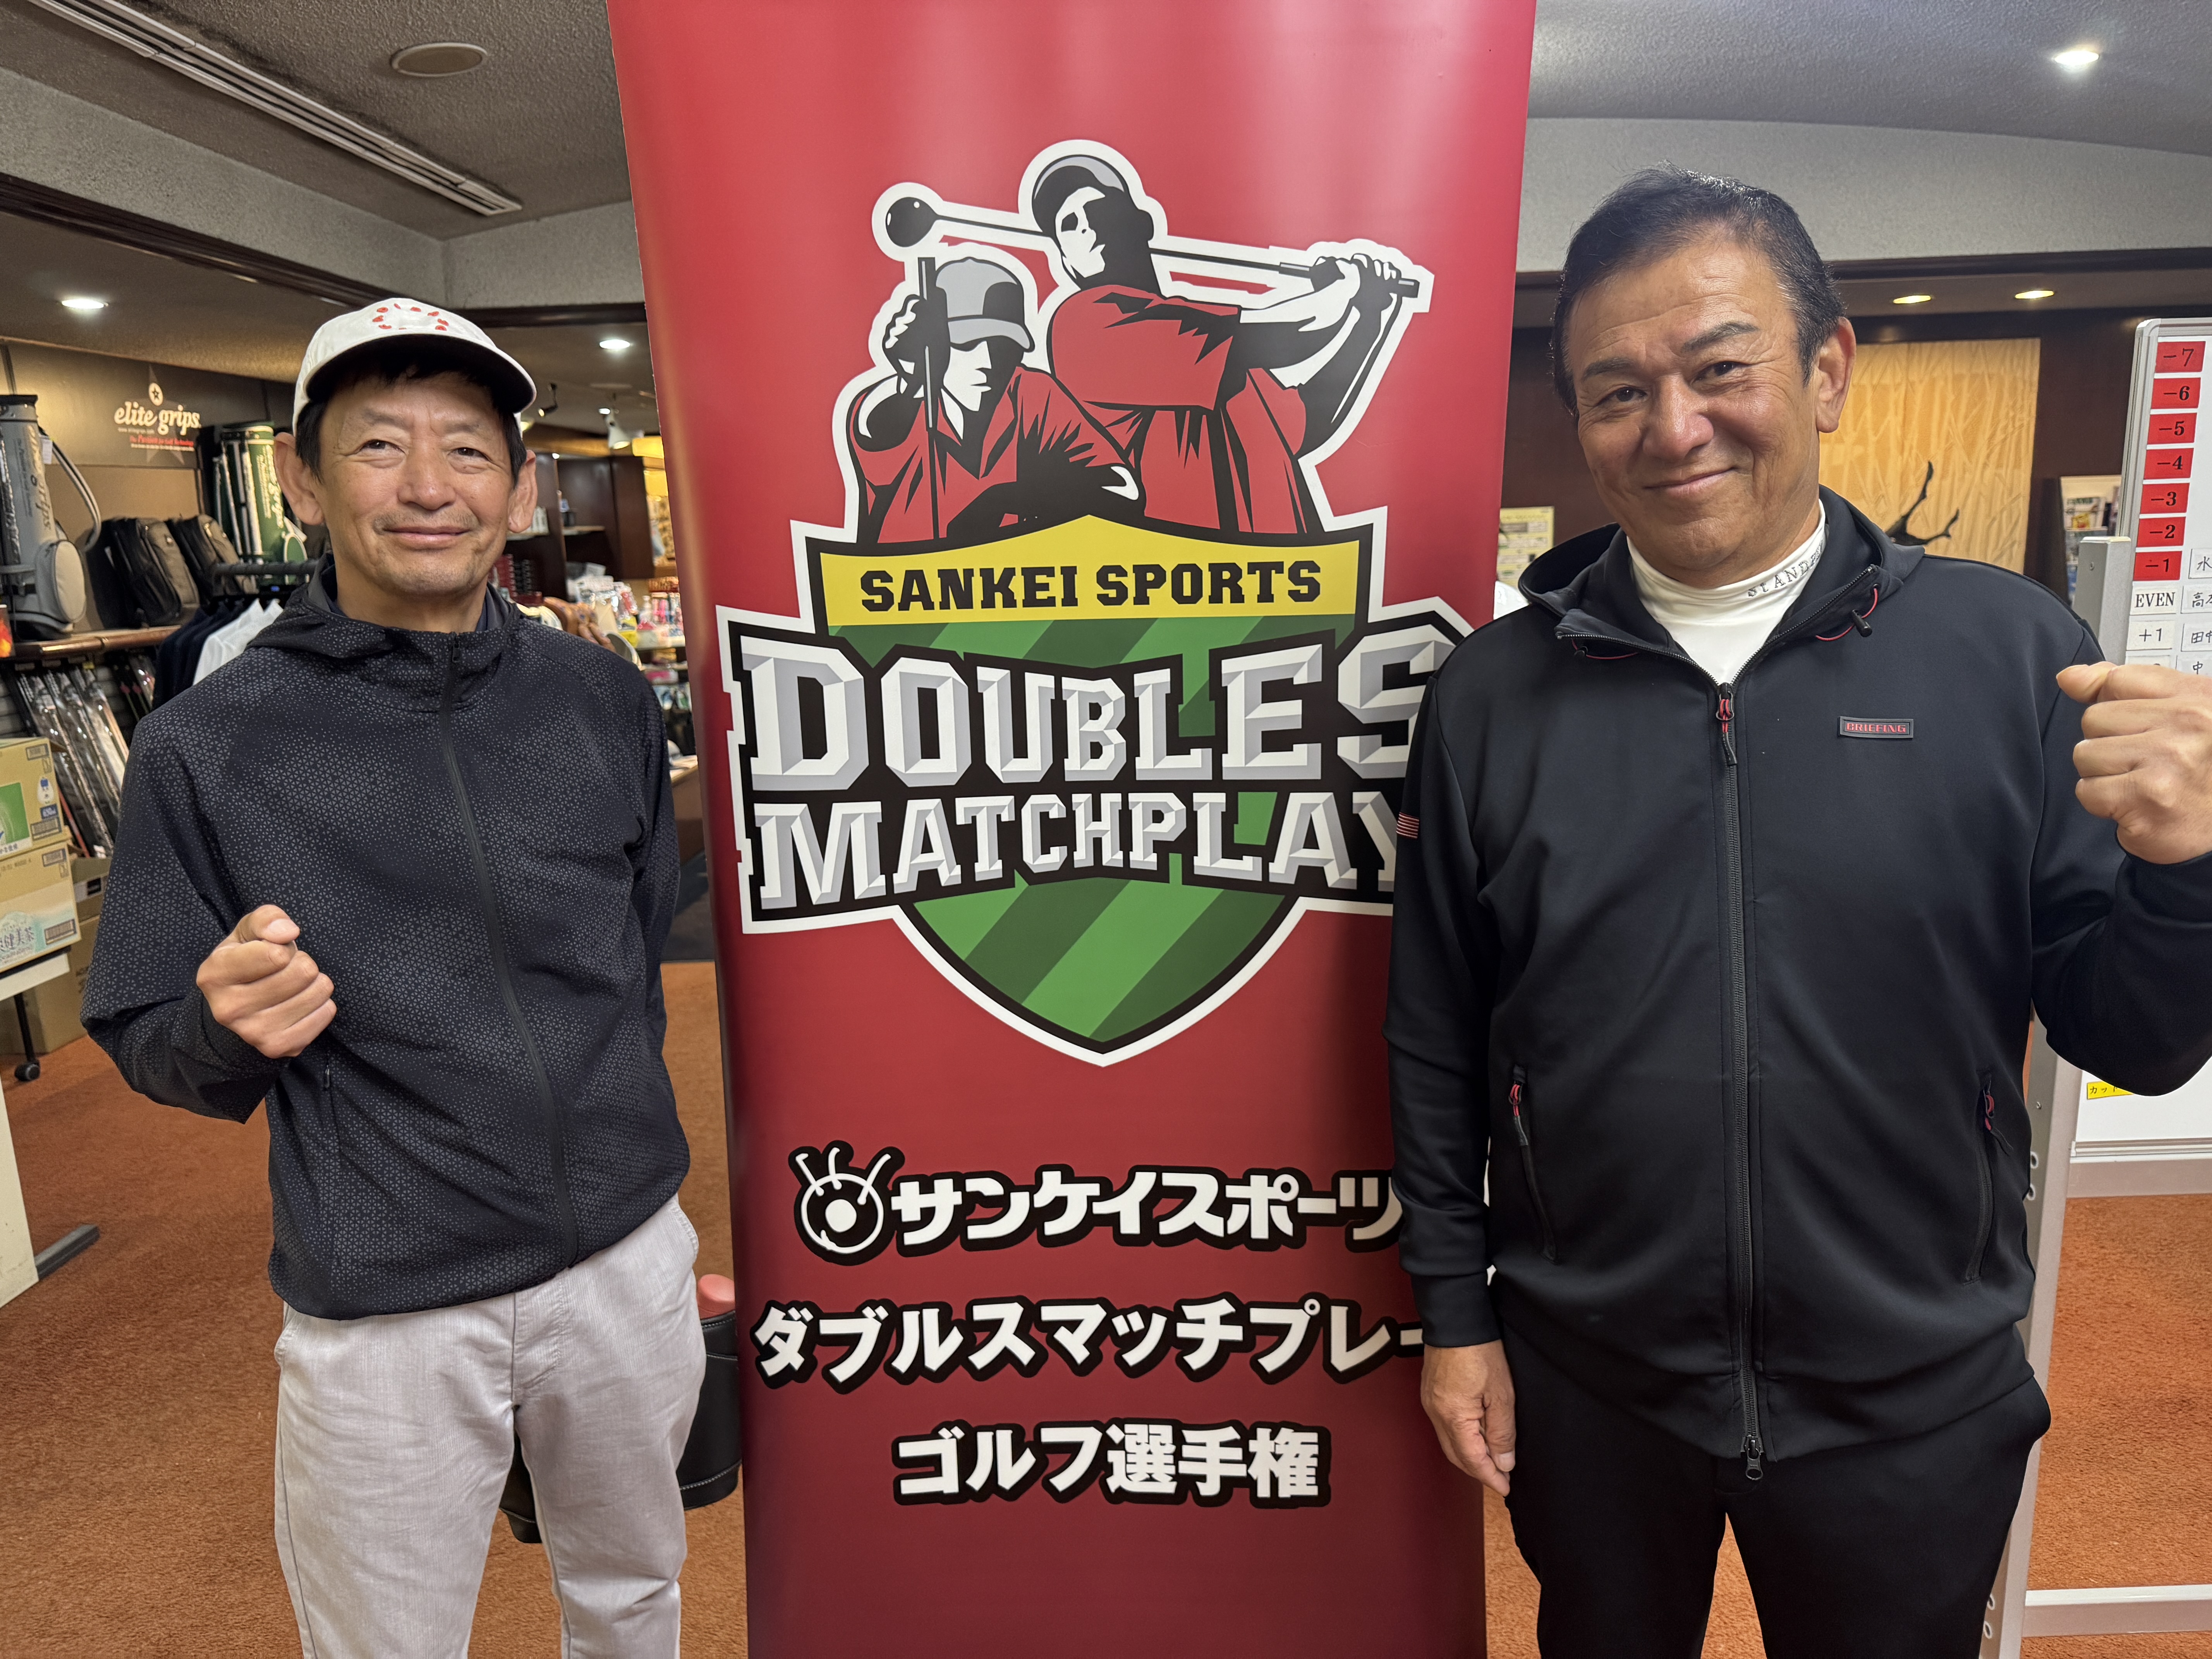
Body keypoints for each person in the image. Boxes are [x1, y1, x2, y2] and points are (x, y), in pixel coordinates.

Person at [1388, 168, 2212, 1658]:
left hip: (1911, 1387)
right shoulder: (1492, 696)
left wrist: (2189, 870)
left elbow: (2136, 1041)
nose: (1674, 427)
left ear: (1827, 368)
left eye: (1720, 368)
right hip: (1594, 1377)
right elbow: (1437, 1030)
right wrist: (1457, 1315)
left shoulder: (2007, 655)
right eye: (1618, 391)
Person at [81, 297, 702, 1658]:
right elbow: (141, 1025)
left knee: (633, 1595)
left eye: (468, 450)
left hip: (624, 1264)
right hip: (389, 1303)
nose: (428, 486)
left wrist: (649, 1208)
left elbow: (632, 953)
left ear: (520, 489)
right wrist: (223, 1026)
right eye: (378, 445)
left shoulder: (597, 700)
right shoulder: (209, 743)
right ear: (302, 481)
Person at [1030, 153, 1405, 534]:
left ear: (1141, 224)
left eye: (1100, 210)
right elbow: (1288, 335)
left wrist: (1369, 319)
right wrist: (1344, 291)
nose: (1087, 227)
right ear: (1066, 261)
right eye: (1069, 226)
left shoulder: (1217, 347)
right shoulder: (1084, 324)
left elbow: (1308, 423)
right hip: (1183, 567)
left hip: (1278, 569)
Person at [849, 254, 1139, 542]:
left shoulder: (1030, 393)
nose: (987, 362)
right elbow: (873, 426)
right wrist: (912, 378)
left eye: (1002, 345)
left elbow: (1125, 491)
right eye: (968, 343)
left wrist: (1005, 499)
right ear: (932, 345)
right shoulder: (901, 404)